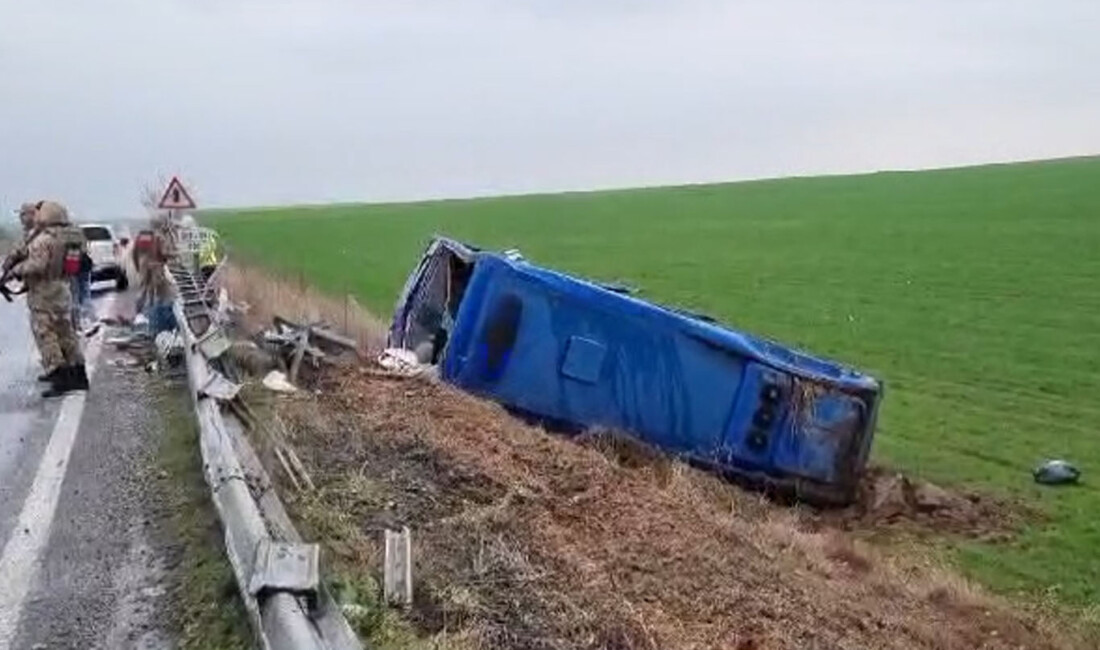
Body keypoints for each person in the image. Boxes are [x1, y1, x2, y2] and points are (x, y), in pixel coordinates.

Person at [11, 200, 89, 397]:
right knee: (66, 333)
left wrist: (16, 271)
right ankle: (78, 375)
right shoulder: (70, 236)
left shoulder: (43, 239)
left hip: (44, 291)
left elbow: (37, 265)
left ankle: (59, 376)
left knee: (46, 333)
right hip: (63, 288)